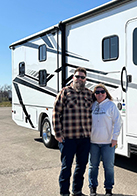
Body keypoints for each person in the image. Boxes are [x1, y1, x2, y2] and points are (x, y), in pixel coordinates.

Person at [52, 67, 94, 196]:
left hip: (84, 138)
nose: (80, 79)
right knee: (66, 167)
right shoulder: (65, 92)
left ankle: (77, 191)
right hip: (68, 138)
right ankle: (64, 192)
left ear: (85, 79)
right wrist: (58, 133)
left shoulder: (89, 94)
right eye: (77, 76)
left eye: (82, 77)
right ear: (73, 77)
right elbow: (55, 113)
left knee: (81, 166)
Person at [88, 83, 122, 196]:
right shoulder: (91, 105)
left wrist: (115, 138)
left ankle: (108, 189)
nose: (100, 94)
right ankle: (92, 188)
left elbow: (118, 122)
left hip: (108, 143)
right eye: (97, 92)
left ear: (106, 93)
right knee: (93, 166)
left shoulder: (111, 106)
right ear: (94, 94)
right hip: (93, 142)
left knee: (109, 167)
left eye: (102, 92)